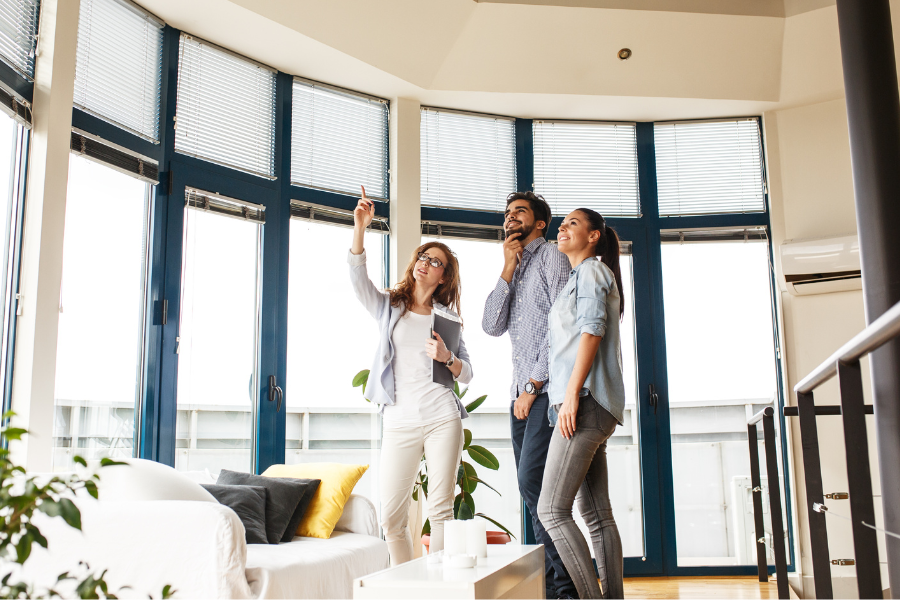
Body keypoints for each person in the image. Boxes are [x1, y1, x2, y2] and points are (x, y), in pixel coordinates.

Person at [349, 186, 473, 566]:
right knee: (391, 517)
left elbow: (467, 373)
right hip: (400, 420)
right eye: (423, 255)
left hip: (441, 417)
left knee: (440, 511)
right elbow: (358, 281)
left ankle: (437, 590)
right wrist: (360, 229)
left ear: (444, 275)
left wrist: (447, 356)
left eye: (435, 261)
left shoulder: (448, 318)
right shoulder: (390, 305)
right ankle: (407, 586)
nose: (425, 262)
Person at [482, 192, 576, 599]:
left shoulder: (552, 256)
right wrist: (506, 266)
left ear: (539, 222)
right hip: (519, 396)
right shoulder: (516, 265)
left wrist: (532, 386)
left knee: (535, 485)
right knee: (532, 490)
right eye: (507, 213)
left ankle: (567, 587)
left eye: (518, 211)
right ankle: (559, 583)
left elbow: (562, 328)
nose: (509, 218)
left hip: (542, 392)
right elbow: (490, 325)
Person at [537, 208, 626, 600]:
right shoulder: (581, 276)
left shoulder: (591, 270)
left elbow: (592, 330)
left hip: (585, 401)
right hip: (594, 404)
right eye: (563, 223)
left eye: (573, 223)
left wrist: (571, 394)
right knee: (596, 514)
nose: (563, 228)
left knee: (551, 511)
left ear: (593, 236)